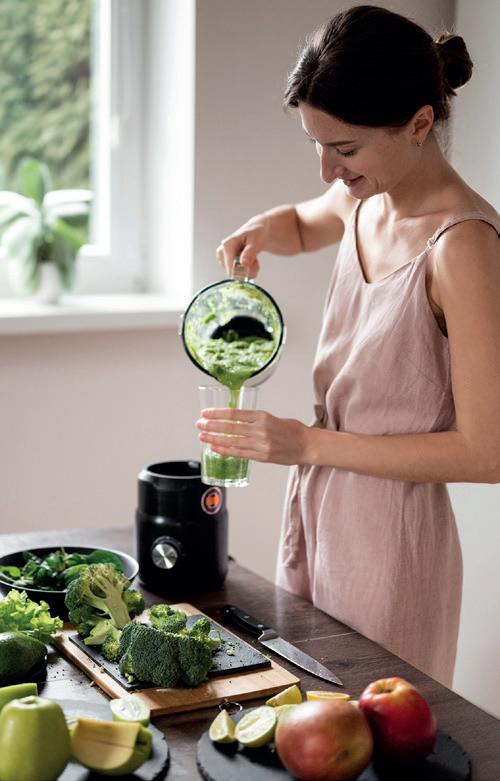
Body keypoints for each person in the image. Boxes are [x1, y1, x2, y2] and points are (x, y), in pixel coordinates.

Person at [196, 5, 500, 686]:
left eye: (345, 148)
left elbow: (488, 453)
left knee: (369, 724)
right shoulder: (367, 197)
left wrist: (306, 445)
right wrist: (263, 228)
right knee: (304, 707)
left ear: (419, 123)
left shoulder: (464, 248)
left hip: (392, 544)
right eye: (315, 142)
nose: (327, 169)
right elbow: (308, 222)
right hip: (315, 507)